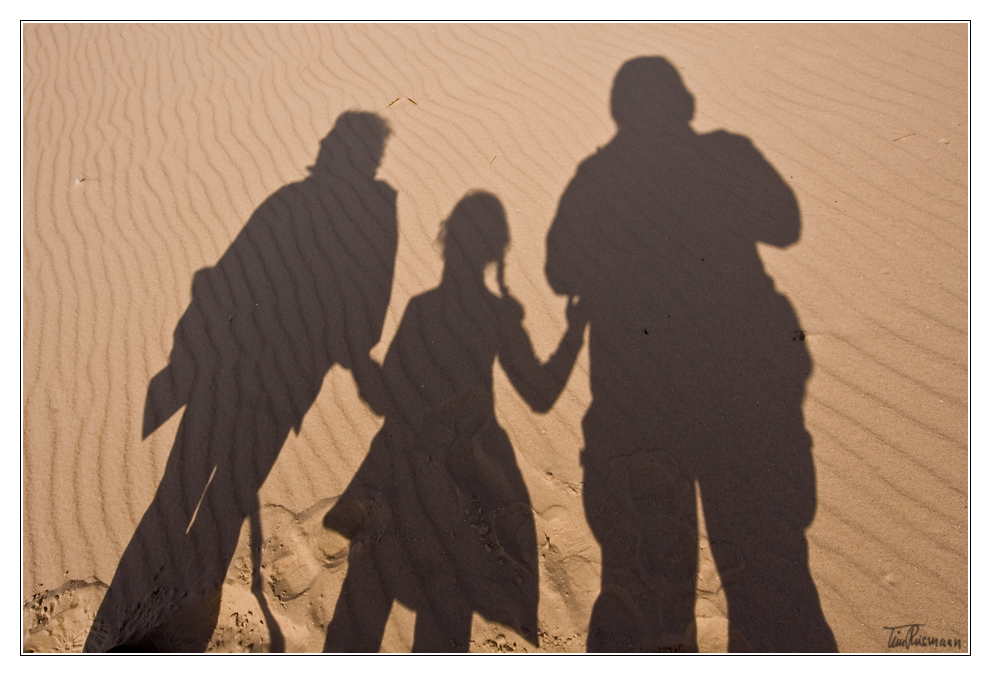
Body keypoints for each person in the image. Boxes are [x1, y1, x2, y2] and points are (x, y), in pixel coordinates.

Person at [545, 57, 837, 652]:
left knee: (654, 580)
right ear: (685, 104)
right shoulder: (728, 154)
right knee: (768, 571)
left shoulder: (597, 175)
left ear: (620, 112)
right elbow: (786, 224)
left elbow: (558, 272)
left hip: (641, 395)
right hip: (742, 392)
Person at [84, 111, 398, 652]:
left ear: (333, 150)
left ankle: (127, 638)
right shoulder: (375, 213)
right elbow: (366, 320)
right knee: (226, 499)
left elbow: (224, 280)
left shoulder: (289, 201)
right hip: (287, 383)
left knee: (177, 493)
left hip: (230, 371)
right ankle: (182, 621)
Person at [323, 191, 585, 652]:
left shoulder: (421, 308)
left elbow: (385, 400)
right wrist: (574, 334)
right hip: (465, 475)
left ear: (447, 244)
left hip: (398, 469)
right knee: (446, 616)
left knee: (360, 611)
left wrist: (358, 360)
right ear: (495, 252)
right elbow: (541, 396)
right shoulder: (500, 316)